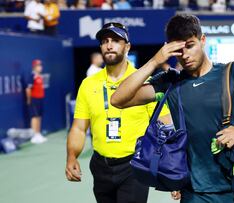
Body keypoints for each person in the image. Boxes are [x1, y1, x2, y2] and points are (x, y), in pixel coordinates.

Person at [110, 14, 234, 203]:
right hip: (191, 192)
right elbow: (118, 99)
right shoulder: (170, 82)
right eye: (179, 50)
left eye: (190, 45)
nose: (185, 55)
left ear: (202, 40)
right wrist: (155, 61)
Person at [65, 22, 171, 203]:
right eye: (105, 41)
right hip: (100, 166)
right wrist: (71, 156)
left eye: (116, 40)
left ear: (127, 46)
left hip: (134, 166)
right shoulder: (89, 84)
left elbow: (166, 125)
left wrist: (171, 170)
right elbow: (79, 128)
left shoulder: (146, 82)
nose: (109, 45)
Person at [26, 59, 47, 144]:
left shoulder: (40, 76)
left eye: (41, 65)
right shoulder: (32, 76)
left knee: (39, 116)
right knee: (34, 117)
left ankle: (38, 134)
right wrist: (29, 100)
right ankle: (34, 135)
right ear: (34, 67)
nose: (40, 67)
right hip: (34, 99)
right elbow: (28, 89)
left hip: (40, 99)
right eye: (38, 66)